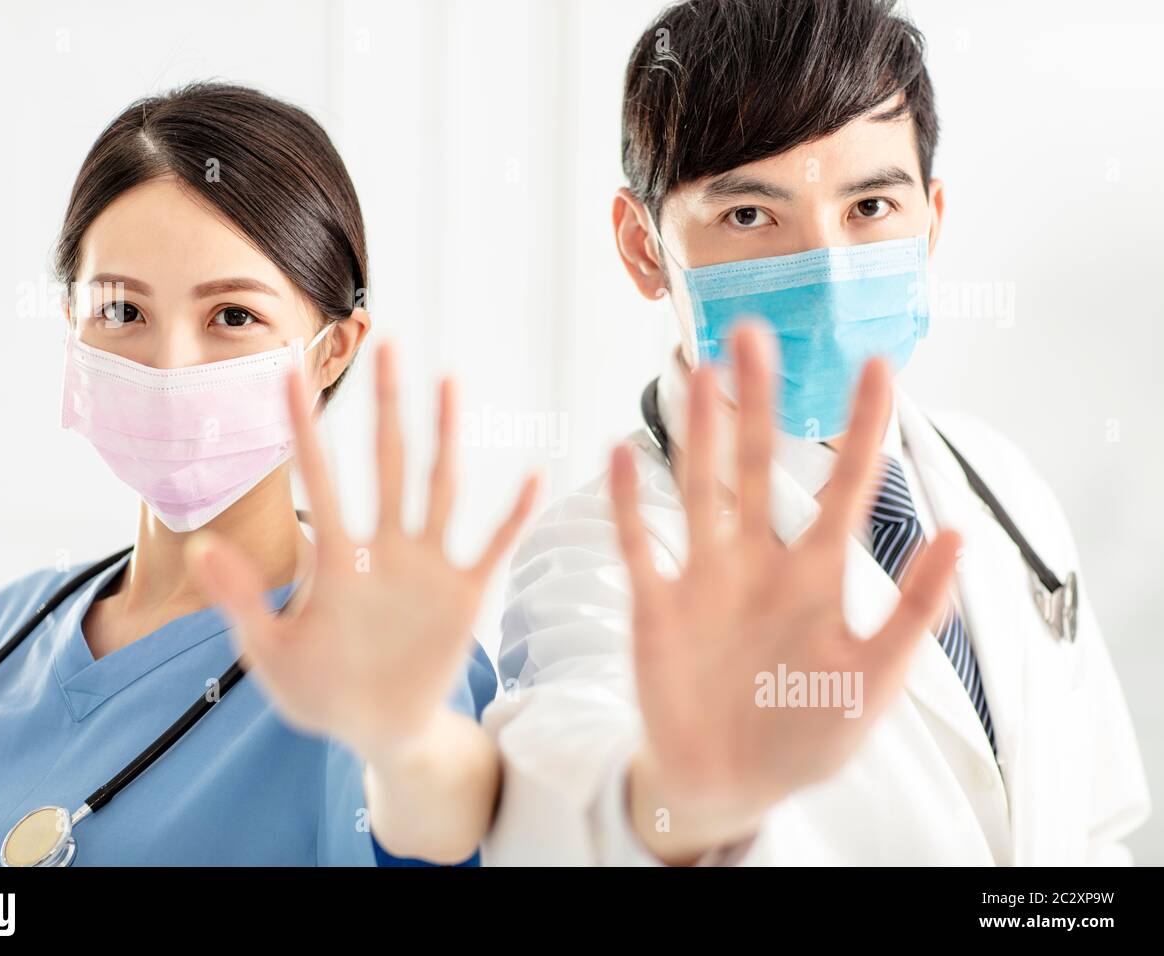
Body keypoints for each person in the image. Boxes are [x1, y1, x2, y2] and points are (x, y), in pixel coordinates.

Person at [481, 0, 1150, 865]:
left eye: (869, 204)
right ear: (644, 249)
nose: (829, 268)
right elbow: (567, 804)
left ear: (932, 219)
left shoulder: (999, 478)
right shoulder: (605, 554)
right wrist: (692, 794)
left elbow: (1094, 833)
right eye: (750, 216)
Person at [0, 82, 537, 866]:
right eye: (121, 311)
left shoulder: (375, 656)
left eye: (233, 316)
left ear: (331, 350)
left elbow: (434, 808)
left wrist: (410, 744)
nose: (169, 365)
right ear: (71, 329)